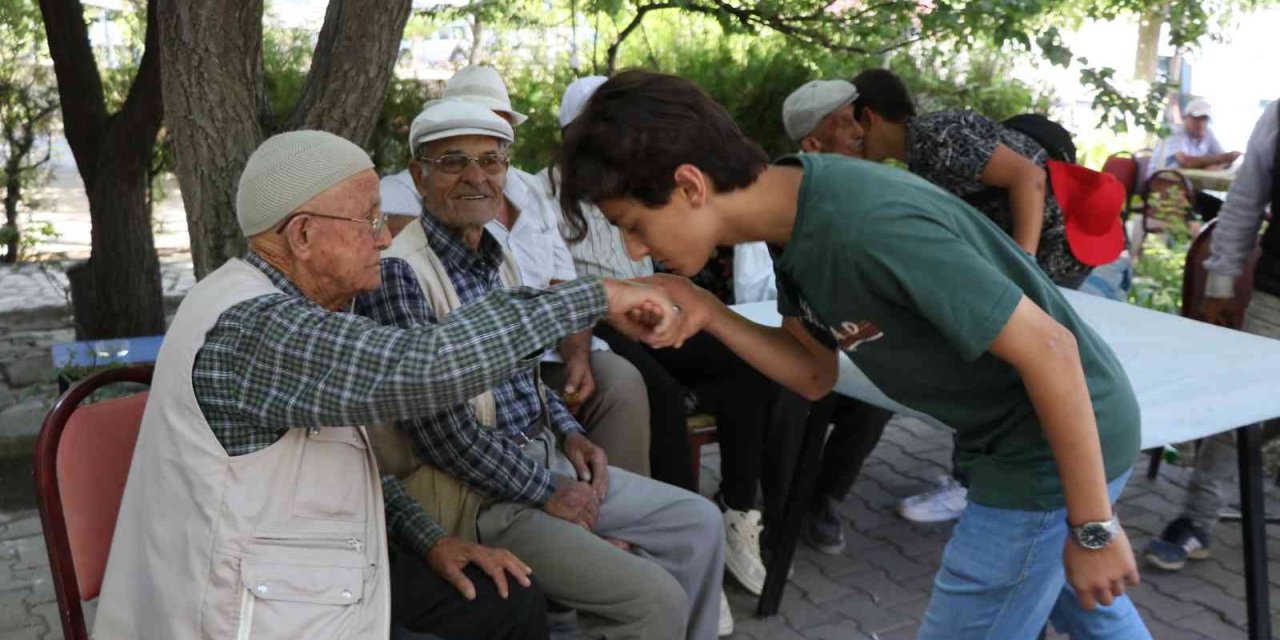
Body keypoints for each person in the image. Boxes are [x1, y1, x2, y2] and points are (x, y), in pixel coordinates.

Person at [557, 70, 1150, 639]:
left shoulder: (862, 224)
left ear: (690, 186)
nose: (634, 250)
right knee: (1090, 610)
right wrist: (708, 311)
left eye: (633, 225)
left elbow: (1051, 348)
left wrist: (1093, 527)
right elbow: (812, 373)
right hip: (1018, 437)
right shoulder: (791, 214)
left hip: (1044, 446)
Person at [92, 130, 682, 639]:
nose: (383, 236)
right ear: (302, 235)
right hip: (242, 611)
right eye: (369, 219)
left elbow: (338, 460)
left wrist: (431, 540)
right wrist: (594, 296)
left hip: (298, 572)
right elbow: (429, 368)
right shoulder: (256, 329)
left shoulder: (287, 304)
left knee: (506, 598)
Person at [355, 100, 725, 640]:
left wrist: (571, 433)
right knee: (653, 600)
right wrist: (547, 488)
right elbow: (439, 430)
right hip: (477, 496)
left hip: (543, 459)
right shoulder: (399, 272)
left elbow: (524, 373)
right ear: (418, 176)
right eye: (453, 162)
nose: (476, 177)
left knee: (699, 524)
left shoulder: (496, 254)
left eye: (491, 161)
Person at [549, 75, 801, 604]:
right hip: (595, 318)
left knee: (747, 364)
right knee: (657, 393)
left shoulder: (649, 181)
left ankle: (738, 512)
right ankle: (685, 543)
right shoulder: (544, 194)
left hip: (653, 303)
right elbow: (549, 281)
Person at [385, 65, 653, 476]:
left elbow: (563, 280)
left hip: (543, 354)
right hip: (475, 366)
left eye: (493, 149)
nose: (476, 173)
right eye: (456, 159)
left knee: (622, 381)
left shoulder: (527, 191)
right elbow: (437, 380)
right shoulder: (403, 197)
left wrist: (577, 356)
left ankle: (617, 496)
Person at [1144, 99, 1279, 571]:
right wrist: (1220, 282)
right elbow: (1245, 200)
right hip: (1277, 295)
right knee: (1240, 410)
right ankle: (1196, 520)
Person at [1147, 98, 1242, 222]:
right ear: (1185, 117)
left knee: (1223, 213)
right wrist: (1215, 160)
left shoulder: (1208, 133)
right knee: (1198, 217)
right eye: (1196, 119)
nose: (1201, 123)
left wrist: (1212, 161)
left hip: (1188, 190)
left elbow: (1223, 160)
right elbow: (1185, 161)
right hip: (1163, 188)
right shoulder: (1174, 132)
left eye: (1204, 119)